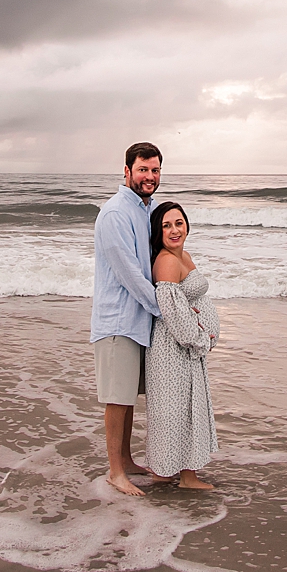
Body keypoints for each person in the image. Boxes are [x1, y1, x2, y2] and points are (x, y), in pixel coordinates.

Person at [91, 142, 163, 496]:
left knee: (128, 396)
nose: (149, 176)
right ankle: (115, 472)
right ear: (126, 171)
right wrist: (164, 308)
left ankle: (128, 460)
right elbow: (130, 274)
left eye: (154, 170)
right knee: (117, 398)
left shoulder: (144, 210)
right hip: (117, 321)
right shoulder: (117, 212)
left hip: (137, 322)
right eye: (143, 170)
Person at [144, 200, 219, 490]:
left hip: (185, 350)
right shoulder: (166, 261)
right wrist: (200, 339)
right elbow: (172, 313)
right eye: (166, 226)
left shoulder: (183, 254)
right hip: (173, 347)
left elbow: (187, 303)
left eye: (178, 223)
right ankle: (184, 476)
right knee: (176, 410)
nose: (174, 230)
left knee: (183, 407)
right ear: (157, 232)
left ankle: (168, 472)